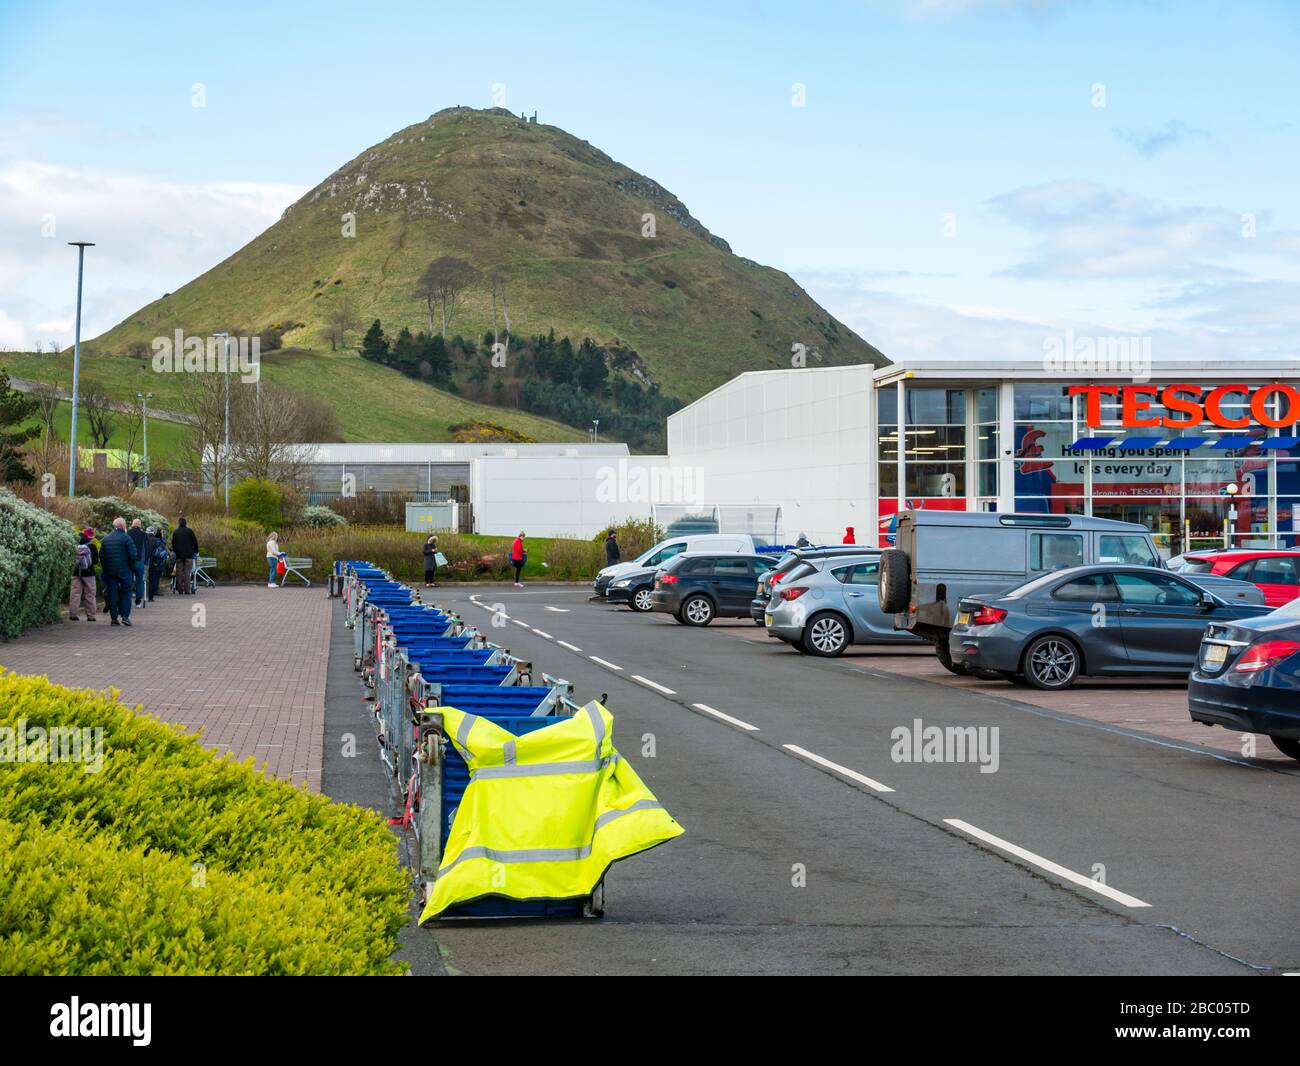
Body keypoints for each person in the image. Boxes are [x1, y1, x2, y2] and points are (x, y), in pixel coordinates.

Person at [99, 517, 139, 626]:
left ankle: (113, 618)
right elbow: (133, 555)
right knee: (126, 592)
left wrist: (106, 568)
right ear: (123, 526)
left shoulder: (106, 539)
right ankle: (125, 616)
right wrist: (130, 566)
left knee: (112, 593)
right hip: (124, 570)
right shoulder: (127, 538)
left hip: (110, 571)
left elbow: (102, 556)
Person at [69, 527, 99, 621]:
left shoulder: (75, 545)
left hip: (75, 573)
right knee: (90, 594)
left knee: (75, 594)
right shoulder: (92, 546)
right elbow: (95, 560)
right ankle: (91, 616)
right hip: (89, 574)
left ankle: (73, 614)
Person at [171, 516, 199, 594]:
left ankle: (180, 590)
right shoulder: (190, 531)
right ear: (185, 523)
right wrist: (196, 551)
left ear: (179, 523)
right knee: (187, 573)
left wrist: (175, 552)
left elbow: (173, 544)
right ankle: (187, 590)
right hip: (189, 556)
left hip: (179, 556)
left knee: (179, 573)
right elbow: (195, 542)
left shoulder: (176, 532)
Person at [128, 518, 148, 608]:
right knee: (139, 581)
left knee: (129, 580)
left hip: (129, 561)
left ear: (132, 524)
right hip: (140, 561)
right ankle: (138, 602)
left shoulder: (128, 533)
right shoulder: (144, 534)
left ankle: (127, 599)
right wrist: (146, 560)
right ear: (140, 525)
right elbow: (146, 549)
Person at [144, 526, 166, 602]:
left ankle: (142, 595)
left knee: (143, 579)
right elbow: (161, 553)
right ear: (153, 532)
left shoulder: (143, 539)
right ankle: (150, 597)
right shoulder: (157, 540)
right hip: (154, 563)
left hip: (144, 562)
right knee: (153, 580)